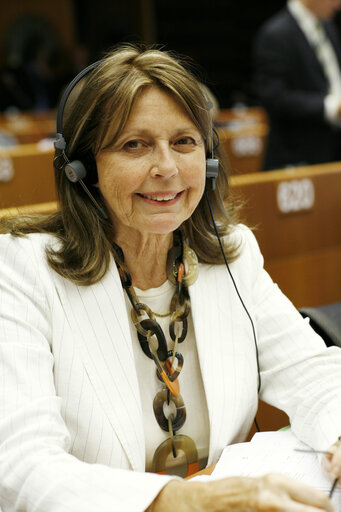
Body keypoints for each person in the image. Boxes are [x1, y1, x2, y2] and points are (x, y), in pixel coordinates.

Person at [0, 44, 341, 512]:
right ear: (82, 167)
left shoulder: (231, 255)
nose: (167, 168)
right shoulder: (22, 268)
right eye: (134, 144)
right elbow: (21, 466)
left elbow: (312, 373)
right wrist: (181, 501)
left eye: (184, 142)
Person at [253, 0, 341, 170]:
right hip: (297, 158)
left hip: (333, 154)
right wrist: (331, 107)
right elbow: (274, 97)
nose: (338, 5)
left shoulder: (328, 28)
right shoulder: (275, 34)